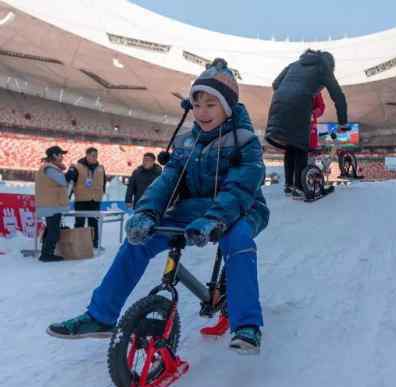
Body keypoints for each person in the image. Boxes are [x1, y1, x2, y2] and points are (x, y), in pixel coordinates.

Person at [47, 58, 270, 354]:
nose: (202, 112)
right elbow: (167, 181)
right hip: (197, 207)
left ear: (227, 107)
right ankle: (101, 316)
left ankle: (247, 325)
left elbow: (241, 186)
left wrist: (215, 219)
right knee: (138, 241)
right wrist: (146, 212)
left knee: (238, 240)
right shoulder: (187, 143)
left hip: (242, 206)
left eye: (211, 105)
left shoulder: (245, 141)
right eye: (197, 104)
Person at [265, 49, 348, 199]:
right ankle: (299, 188)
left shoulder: (294, 64)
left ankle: (289, 186)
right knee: (301, 146)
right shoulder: (323, 67)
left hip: (278, 105)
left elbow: (275, 83)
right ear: (330, 65)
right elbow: (338, 95)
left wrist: (287, 94)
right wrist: (343, 123)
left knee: (290, 146)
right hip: (299, 105)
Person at [66, 147, 106, 248]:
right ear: (87, 155)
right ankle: (77, 243)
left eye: (96, 155)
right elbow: (70, 181)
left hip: (95, 200)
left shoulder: (101, 168)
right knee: (80, 222)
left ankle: (94, 244)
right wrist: (68, 196)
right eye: (93, 155)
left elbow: (104, 182)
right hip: (81, 200)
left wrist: (102, 192)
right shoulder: (77, 166)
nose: (95, 157)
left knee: (93, 222)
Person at [35, 146, 69, 262]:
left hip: (51, 203)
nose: (62, 157)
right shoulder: (50, 168)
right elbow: (62, 181)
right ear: (54, 155)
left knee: (51, 229)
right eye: (61, 154)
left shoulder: (49, 168)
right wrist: (70, 173)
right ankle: (46, 254)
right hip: (51, 204)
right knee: (53, 230)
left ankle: (46, 252)